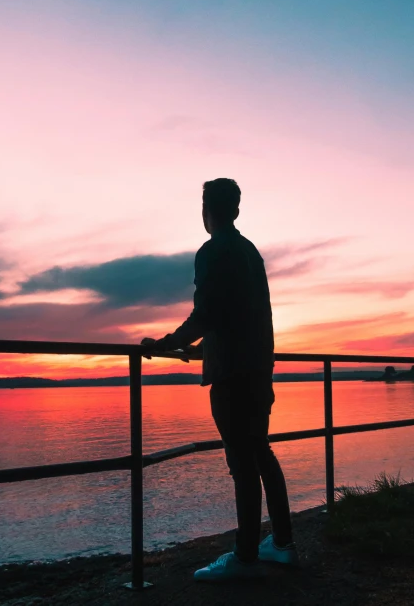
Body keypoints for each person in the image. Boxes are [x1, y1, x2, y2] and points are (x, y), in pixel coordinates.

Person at [141, 178, 298, 581]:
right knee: (261, 454)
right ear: (238, 210)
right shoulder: (249, 252)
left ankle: (245, 558)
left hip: (231, 375)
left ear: (207, 211)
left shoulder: (213, 251)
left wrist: (165, 344)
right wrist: (206, 347)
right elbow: (245, 315)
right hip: (259, 369)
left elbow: (207, 313)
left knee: (243, 466)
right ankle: (282, 545)